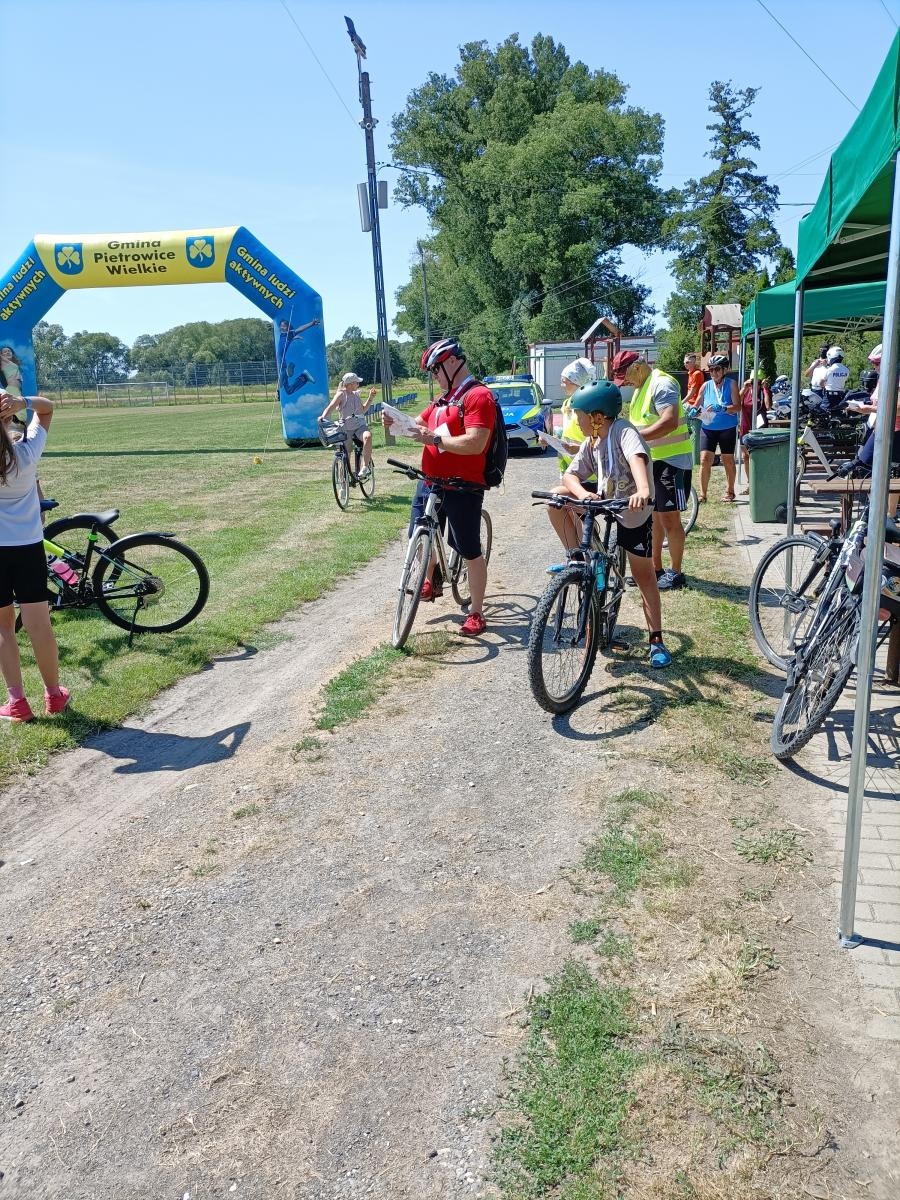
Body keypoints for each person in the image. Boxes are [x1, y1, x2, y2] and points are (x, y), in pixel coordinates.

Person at [547, 378, 672, 668]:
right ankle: (577, 556)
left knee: (643, 575)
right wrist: (582, 494)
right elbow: (570, 476)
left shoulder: (623, 431)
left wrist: (642, 490)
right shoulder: (593, 441)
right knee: (557, 497)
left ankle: (656, 639)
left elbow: (637, 457)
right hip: (605, 502)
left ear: (596, 417)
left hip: (633, 510)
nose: (576, 421)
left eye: (579, 416)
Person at [383, 337, 494, 637]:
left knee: (469, 550)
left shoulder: (477, 396)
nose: (433, 375)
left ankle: (476, 612)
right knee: (417, 533)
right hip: (431, 480)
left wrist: (433, 439)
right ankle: (429, 577)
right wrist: (395, 422)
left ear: (453, 362)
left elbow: (476, 442)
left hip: (463, 486)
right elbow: (417, 426)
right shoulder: (442, 399)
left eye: (435, 369)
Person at [0, 390, 69, 721]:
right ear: (9, 414)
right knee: (39, 626)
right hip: (27, 547)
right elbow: (48, 409)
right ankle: (54, 695)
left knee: (3, 630)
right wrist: (23, 402)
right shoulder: (27, 451)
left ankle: (17, 702)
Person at [611, 350, 693, 591]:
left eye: (625, 377)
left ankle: (676, 573)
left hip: (673, 462)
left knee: (670, 519)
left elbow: (669, 421)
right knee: (654, 518)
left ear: (637, 367)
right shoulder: (641, 388)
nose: (625, 383)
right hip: (653, 462)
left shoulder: (662, 384)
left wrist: (634, 438)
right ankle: (655, 569)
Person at [696, 354, 741, 502]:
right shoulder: (705, 386)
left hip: (727, 428)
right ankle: (703, 495)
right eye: (711, 370)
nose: (714, 373)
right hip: (708, 427)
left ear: (724, 370)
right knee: (704, 460)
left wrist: (723, 408)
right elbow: (696, 405)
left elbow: (738, 407)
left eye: (717, 369)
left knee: (727, 459)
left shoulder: (731, 384)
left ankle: (730, 491)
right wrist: (692, 411)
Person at [320, 372, 377, 478]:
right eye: (357, 383)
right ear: (350, 384)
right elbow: (331, 407)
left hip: (360, 426)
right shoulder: (341, 395)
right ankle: (343, 481)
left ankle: (364, 467)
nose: (358, 385)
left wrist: (370, 398)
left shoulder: (356, 395)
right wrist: (323, 417)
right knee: (346, 453)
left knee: (368, 436)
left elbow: (363, 410)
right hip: (346, 428)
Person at [555, 356, 594, 473]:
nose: (561, 385)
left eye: (564, 381)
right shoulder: (567, 403)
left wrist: (578, 449)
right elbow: (568, 432)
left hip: (589, 472)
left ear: (576, 382)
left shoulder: (590, 405)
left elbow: (602, 441)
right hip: (571, 468)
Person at [738, 369, 771, 492]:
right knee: (745, 456)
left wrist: (765, 389)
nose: (755, 384)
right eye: (753, 382)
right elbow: (736, 402)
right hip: (745, 426)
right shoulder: (746, 391)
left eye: (758, 382)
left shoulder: (764, 392)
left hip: (760, 428)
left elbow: (768, 406)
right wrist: (744, 388)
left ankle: (760, 482)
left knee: (759, 456)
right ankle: (750, 483)